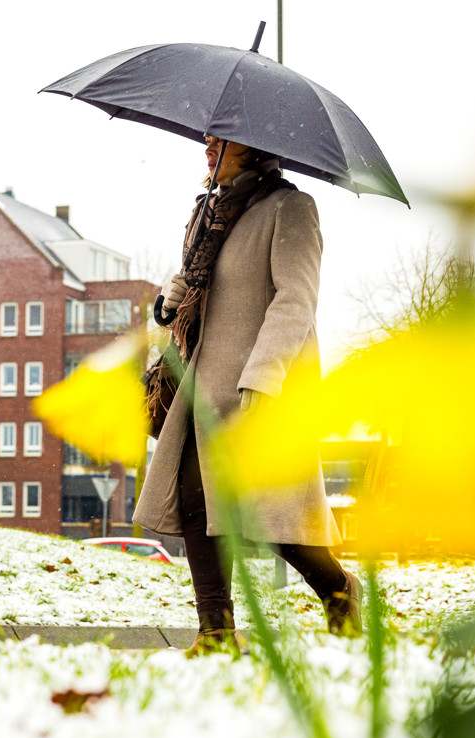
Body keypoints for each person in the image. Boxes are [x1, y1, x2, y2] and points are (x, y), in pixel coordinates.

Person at [133, 135, 361, 654]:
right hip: (201, 384)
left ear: (255, 146)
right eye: (207, 141)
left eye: (221, 142)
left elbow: (296, 298)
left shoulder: (290, 208)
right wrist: (172, 301)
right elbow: (204, 290)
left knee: (272, 515)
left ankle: (338, 589)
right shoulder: (206, 216)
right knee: (198, 502)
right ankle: (216, 631)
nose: (207, 150)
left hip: (260, 384)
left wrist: (265, 373)